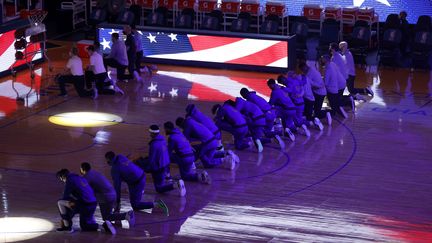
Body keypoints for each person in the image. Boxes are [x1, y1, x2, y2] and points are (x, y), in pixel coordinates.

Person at [105, 151, 169, 216]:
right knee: (133, 201)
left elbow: (117, 187)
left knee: (135, 205)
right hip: (139, 175)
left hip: (137, 182)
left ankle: (157, 204)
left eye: (107, 161)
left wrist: (118, 201)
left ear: (109, 160)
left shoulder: (115, 170)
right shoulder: (120, 156)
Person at [56, 169, 115, 234]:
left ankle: (67, 227)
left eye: (61, 179)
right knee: (84, 224)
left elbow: (65, 197)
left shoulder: (69, 180)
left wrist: (64, 218)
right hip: (93, 203)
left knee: (60, 202)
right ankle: (103, 226)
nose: (62, 181)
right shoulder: (79, 177)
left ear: (63, 176)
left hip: (85, 204)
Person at [135, 125, 187, 197]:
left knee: (159, 188)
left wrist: (146, 167)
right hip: (165, 164)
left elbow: (152, 160)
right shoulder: (162, 140)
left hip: (158, 167)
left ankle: (176, 185)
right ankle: (176, 185)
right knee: (160, 186)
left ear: (151, 133)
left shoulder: (154, 144)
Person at [80, 162, 135, 227]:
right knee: (107, 215)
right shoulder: (94, 172)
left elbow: (85, 191)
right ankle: (114, 224)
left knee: (106, 217)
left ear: (83, 169)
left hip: (105, 196)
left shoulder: (87, 177)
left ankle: (126, 215)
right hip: (112, 193)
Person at [298, 62, 329, 127]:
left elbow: (313, 85)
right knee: (316, 110)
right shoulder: (312, 69)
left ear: (305, 67)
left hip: (319, 93)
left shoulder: (309, 74)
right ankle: (321, 117)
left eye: (302, 69)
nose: (302, 71)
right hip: (321, 92)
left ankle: (325, 114)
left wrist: (320, 86)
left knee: (316, 111)